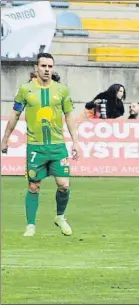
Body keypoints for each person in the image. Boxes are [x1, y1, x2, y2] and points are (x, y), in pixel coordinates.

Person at [1, 53, 80, 237]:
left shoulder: (62, 90)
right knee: (33, 186)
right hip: (35, 146)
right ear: (36, 68)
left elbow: (69, 116)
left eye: (50, 66)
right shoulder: (25, 90)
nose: (47, 69)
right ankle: (30, 225)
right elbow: (15, 115)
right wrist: (5, 139)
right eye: (43, 66)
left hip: (57, 146)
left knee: (64, 185)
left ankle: (60, 216)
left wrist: (76, 141)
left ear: (53, 69)